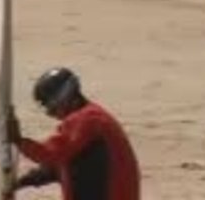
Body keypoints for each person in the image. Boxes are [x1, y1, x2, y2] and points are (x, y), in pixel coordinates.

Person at [8, 67, 140, 200]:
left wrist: (18, 141)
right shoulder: (95, 116)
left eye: (52, 109)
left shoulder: (85, 120)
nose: (52, 115)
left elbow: (50, 154)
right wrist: (28, 180)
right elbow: (66, 163)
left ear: (64, 101)